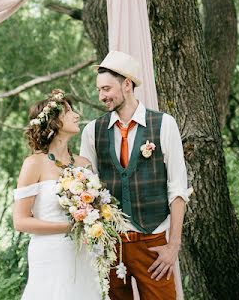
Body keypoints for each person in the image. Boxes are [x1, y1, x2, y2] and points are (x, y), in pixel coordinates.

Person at [80, 51, 190, 300]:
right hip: (111, 246)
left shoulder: (164, 124)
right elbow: (88, 191)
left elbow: (177, 189)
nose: (102, 96)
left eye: (107, 88)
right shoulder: (91, 132)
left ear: (127, 85)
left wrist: (173, 245)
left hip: (152, 242)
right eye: (99, 90)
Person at [13, 89, 102, 299]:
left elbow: (96, 208)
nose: (76, 115)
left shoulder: (84, 164)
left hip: (84, 253)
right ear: (54, 123)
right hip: (50, 253)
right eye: (68, 112)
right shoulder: (33, 164)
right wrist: (70, 227)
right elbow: (20, 221)